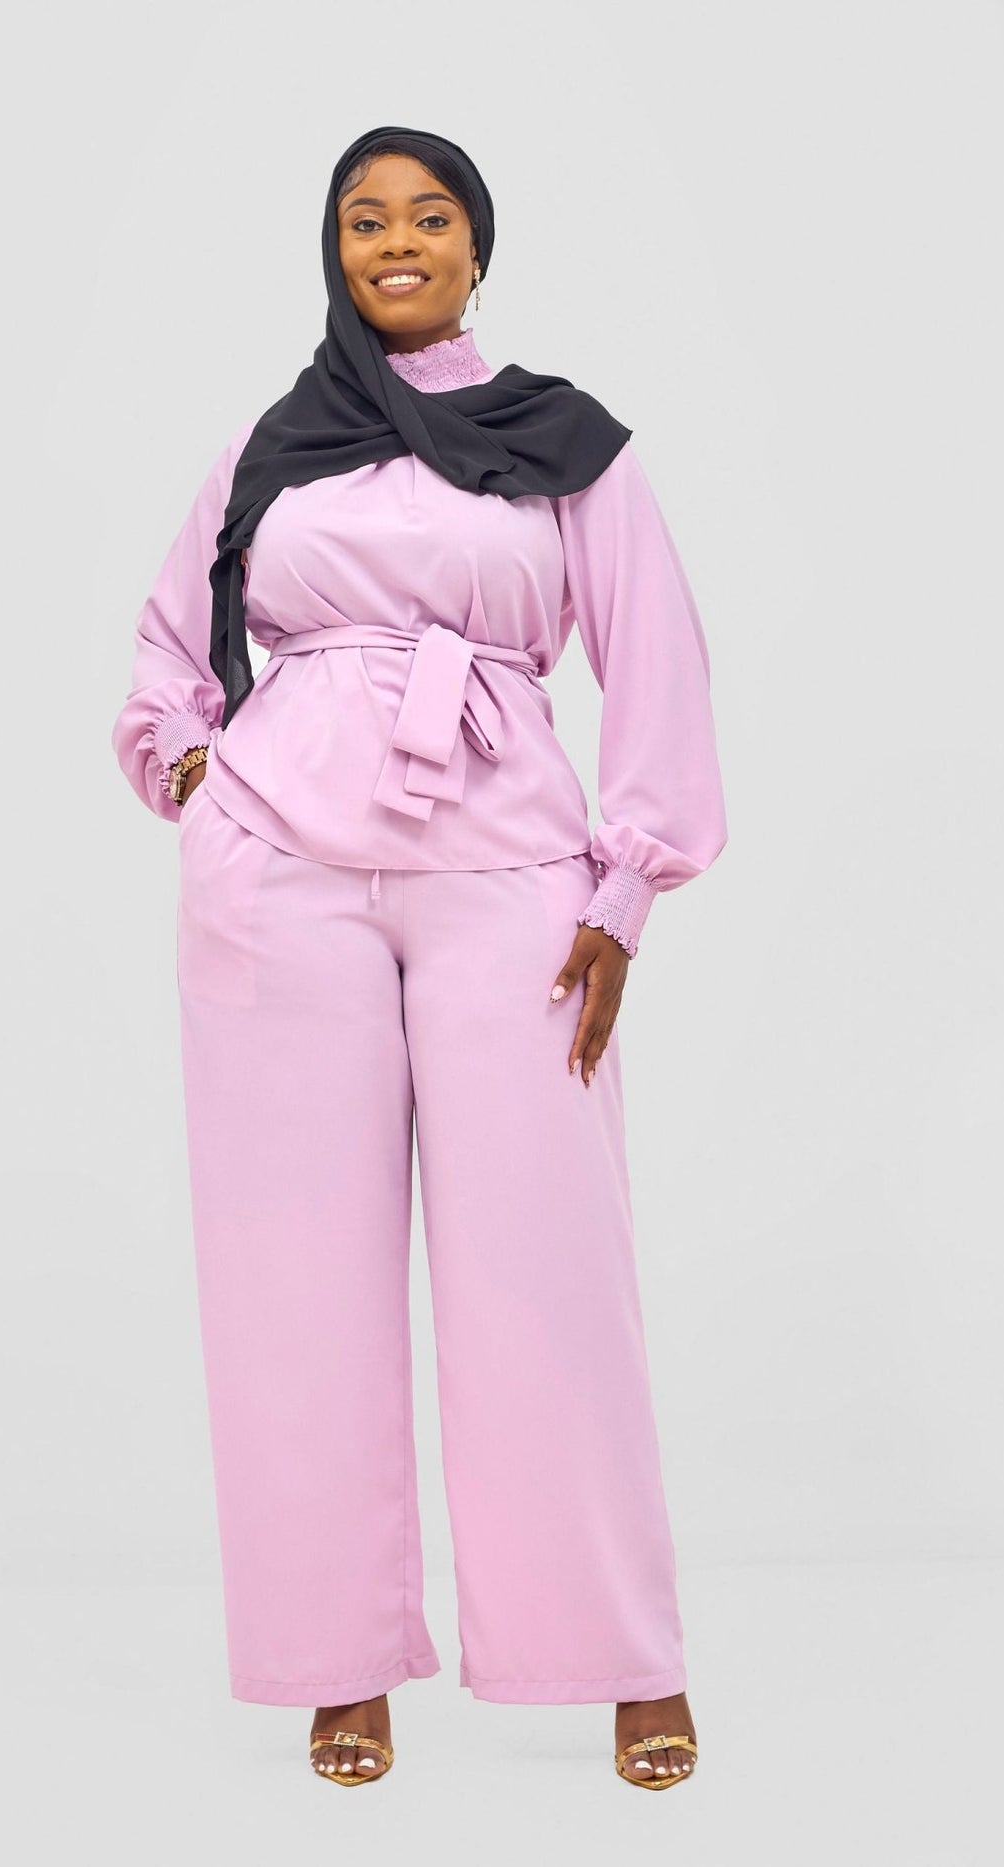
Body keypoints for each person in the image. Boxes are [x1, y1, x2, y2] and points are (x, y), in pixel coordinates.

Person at [110, 124, 727, 1791]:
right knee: (292, 1277)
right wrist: (191, 772)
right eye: (365, 218)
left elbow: (657, 661)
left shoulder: (563, 441)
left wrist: (627, 890)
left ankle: (619, 1655)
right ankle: (340, 1662)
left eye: (429, 214)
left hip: (508, 869)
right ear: (335, 252)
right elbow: (172, 647)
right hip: (281, 873)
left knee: (549, 1270)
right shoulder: (272, 443)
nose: (397, 240)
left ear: (476, 246)